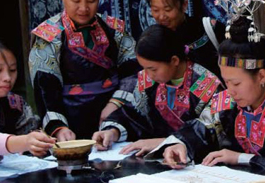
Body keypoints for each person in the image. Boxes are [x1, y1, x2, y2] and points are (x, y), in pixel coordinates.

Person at [155, 0, 265, 176]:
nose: (230, 91)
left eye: (236, 83)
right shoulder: (227, 101)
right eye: (226, 82)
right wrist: (181, 144)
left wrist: (241, 158)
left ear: (261, 76)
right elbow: (202, 129)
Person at [29, 0, 140, 141]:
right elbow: (45, 88)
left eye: (91, 1)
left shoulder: (114, 30)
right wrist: (58, 127)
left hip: (113, 116)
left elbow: (134, 72)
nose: (83, 8)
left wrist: (115, 105)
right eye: (76, 1)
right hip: (69, 120)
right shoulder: (49, 35)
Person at [92, 24, 222, 156]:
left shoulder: (206, 84)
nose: (148, 74)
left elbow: (211, 129)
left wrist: (166, 142)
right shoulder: (148, 80)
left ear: (174, 60)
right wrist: (113, 132)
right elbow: (133, 115)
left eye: (153, 69)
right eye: (144, 68)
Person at [146, 0, 225, 80]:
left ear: (184, 5)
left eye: (167, 9)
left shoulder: (210, 29)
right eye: (155, 10)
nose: (161, 16)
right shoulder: (153, 41)